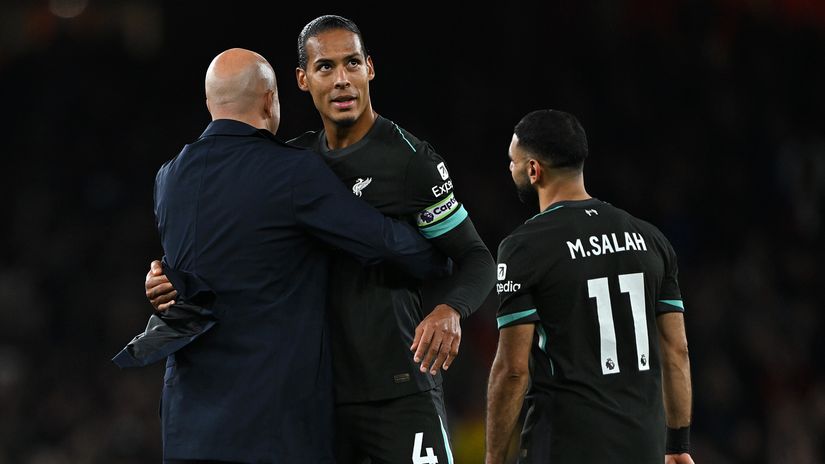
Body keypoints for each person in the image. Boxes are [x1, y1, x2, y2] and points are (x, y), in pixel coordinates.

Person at [146, 15, 497, 463]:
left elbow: (475, 257)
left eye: (352, 63)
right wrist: (165, 275)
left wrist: (451, 309)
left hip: (398, 388)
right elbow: (233, 239)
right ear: (302, 79)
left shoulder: (410, 161)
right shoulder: (293, 161)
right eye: (325, 67)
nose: (342, 80)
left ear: (370, 68)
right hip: (321, 399)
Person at [484, 109, 694, 464]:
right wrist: (678, 444)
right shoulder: (650, 239)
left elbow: (513, 369)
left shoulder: (524, 247)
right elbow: (677, 350)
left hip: (565, 446)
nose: (510, 168)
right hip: (643, 446)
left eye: (513, 161)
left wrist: (493, 457)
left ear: (534, 170)